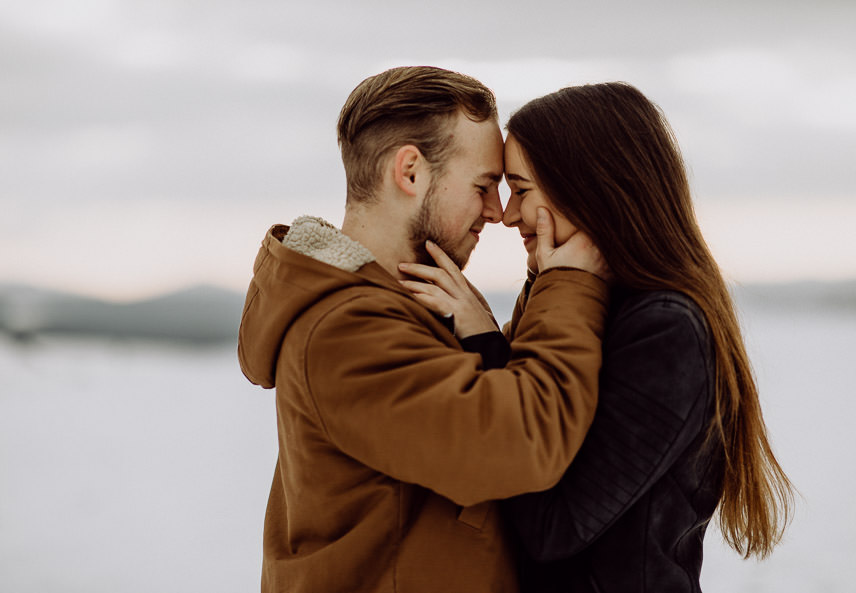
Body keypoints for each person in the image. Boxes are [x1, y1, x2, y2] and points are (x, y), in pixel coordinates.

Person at [406, 82, 795, 592]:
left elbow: (552, 528)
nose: (506, 215)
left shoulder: (665, 329)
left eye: (521, 190)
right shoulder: (581, 303)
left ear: (589, 187)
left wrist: (484, 340)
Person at [237, 66, 611, 593]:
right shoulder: (347, 331)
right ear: (410, 171)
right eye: (483, 185)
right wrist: (568, 283)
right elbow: (525, 439)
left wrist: (520, 301)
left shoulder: (393, 311)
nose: (497, 212)